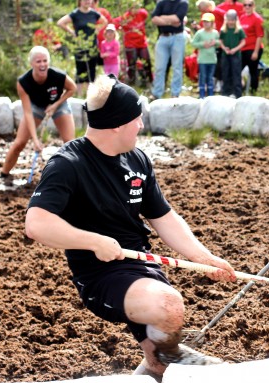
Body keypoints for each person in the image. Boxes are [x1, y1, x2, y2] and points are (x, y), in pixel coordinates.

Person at [24, 74, 237, 382]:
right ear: (117, 124)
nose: (140, 125)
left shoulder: (137, 159)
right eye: (136, 119)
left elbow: (164, 217)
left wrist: (206, 259)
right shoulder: (67, 164)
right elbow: (37, 224)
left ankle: (161, 362)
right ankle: (172, 357)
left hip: (142, 265)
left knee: (160, 353)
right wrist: (93, 241)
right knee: (168, 305)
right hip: (99, 275)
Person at [0, 46, 76, 180]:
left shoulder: (58, 76)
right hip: (36, 107)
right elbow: (28, 113)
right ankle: (4, 174)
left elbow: (72, 88)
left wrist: (56, 104)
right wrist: (35, 140)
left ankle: (76, 175)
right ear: (31, 63)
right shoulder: (23, 82)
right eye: (38, 61)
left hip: (58, 104)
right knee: (20, 143)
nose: (42, 64)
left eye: (45, 61)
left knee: (70, 142)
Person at [57, 0, 108, 97]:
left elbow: (105, 21)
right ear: (80, 1)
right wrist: (72, 32)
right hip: (80, 46)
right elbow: (60, 23)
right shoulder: (75, 13)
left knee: (91, 70)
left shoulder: (94, 13)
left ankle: (90, 95)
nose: (87, 1)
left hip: (92, 46)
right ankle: (79, 95)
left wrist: (97, 29)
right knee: (80, 70)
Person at [150, 0, 188, 99]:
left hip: (177, 37)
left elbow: (178, 18)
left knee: (177, 67)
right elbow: (154, 19)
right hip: (163, 38)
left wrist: (162, 18)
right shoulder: (162, 3)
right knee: (159, 67)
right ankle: (156, 93)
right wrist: (171, 21)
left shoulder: (183, 3)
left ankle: (175, 93)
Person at [114, 0, 153, 86]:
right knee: (131, 64)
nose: (136, 10)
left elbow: (146, 15)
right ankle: (131, 83)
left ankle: (148, 82)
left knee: (146, 62)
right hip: (130, 44)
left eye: (137, 8)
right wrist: (122, 26)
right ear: (129, 8)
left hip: (142, 43)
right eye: (134, 8)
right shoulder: (125, 17)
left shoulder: (142, 13)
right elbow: (114, 24)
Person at [196, 0, 226, 92]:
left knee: (220, 64)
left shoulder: (217, 11)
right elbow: (203, 28)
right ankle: (210, 85)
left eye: (200, 7)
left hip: (219, 41)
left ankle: (221, 83)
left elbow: (227, 17)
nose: (200, 10)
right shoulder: (204, 15)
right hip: (208, 44)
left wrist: (223, 29)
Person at [191, 13, 220, 98]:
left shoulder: (215, 33)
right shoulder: (200, 33)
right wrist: (203, 44)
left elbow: (219, 43)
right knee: (202, 77)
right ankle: (202, 95)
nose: (205, 23)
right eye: (204, 21)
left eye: (207, 22)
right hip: (202, 60)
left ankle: (210, 95)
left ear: (212, 22)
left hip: (212, 59)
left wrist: (215, 43)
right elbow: (194, 43)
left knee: (210, 77)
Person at [219, 10, 245, 98]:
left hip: (235, 55)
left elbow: (243, 42)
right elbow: (220, 41)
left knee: (236, 74)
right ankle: (226, 93)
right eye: (229, 20)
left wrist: (235, 49)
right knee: (226, 74)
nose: (230, 22)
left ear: (235, 20)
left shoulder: (239, 30)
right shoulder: (223, 30)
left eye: (232, 20)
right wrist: (224, 48)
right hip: (225, 54)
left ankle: (237, 94)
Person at [239, 0, 264, 94]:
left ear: (253, 6)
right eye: (245, 5)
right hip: (242, 49)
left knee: (253, 71)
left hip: (253, 49)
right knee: (237, 70)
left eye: (249, 5)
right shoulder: (242, 17)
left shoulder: (257, 18)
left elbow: (259, 36)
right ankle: (241, 88)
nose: (247, 7)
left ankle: (254, 92)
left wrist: (256, 52)